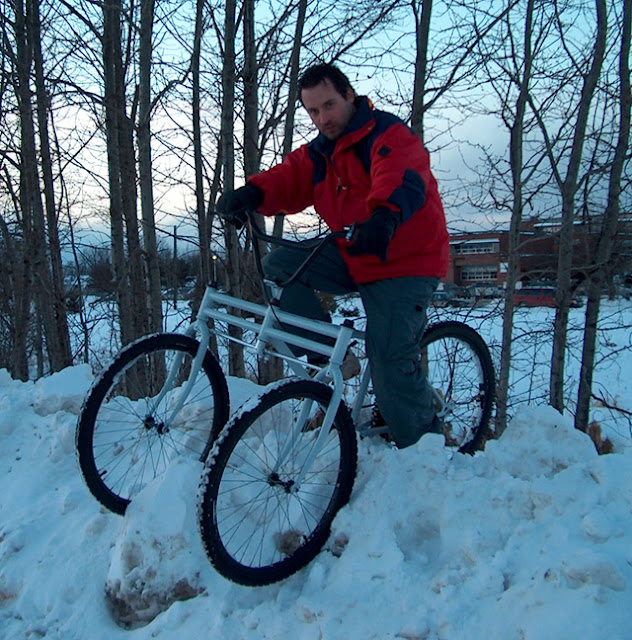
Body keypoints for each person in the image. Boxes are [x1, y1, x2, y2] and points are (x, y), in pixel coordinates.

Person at [217, 63, 450, 449]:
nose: (322, 118)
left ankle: (425, 457)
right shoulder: (322, 153)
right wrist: (252, 195)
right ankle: (333, 361)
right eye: (312, 111)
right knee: (280, 269)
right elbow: (289, 178)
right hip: (355, 252)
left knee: (391, 362)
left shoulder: (387, 134)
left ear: (349, 96)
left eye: (329, 105)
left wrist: (385, 216)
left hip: (404, 261)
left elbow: (401, 175)